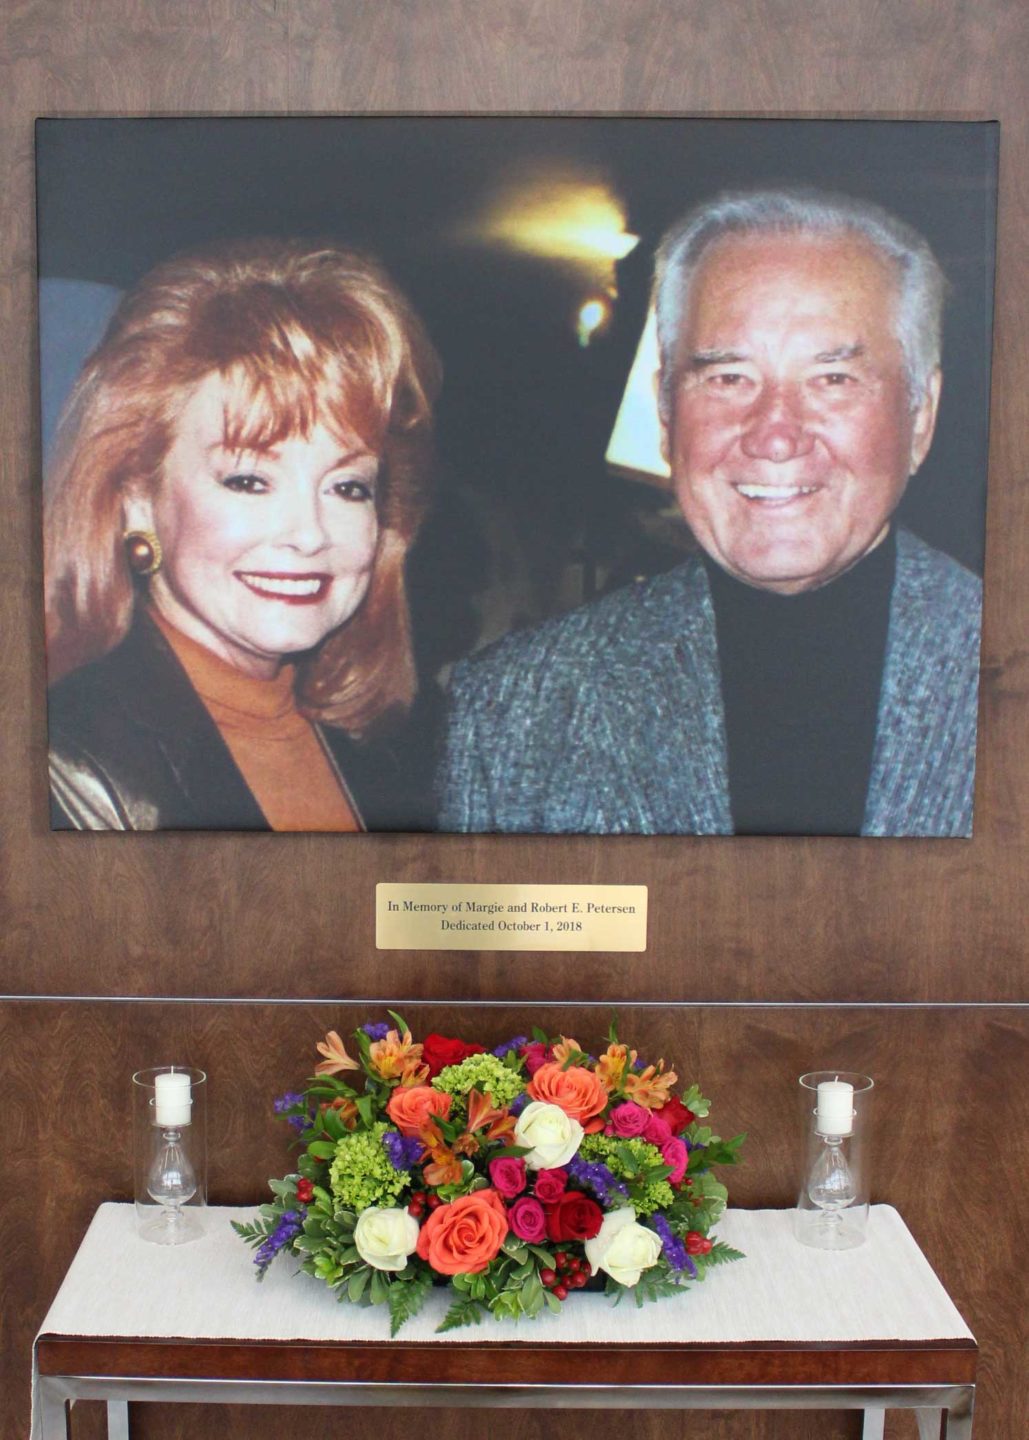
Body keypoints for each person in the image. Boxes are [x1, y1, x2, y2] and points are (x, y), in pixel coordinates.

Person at [438, 188, 982, 837]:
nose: (774, 434)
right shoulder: (512, 713)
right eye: (728, 379)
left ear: (920, 415)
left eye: (831, 379)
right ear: (666, 416)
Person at [45, 238, 441, 830]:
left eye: (348, 487)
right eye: (250, 480)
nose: (310, 534)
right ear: (137, 501)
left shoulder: (397, 746)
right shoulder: (61, 763)